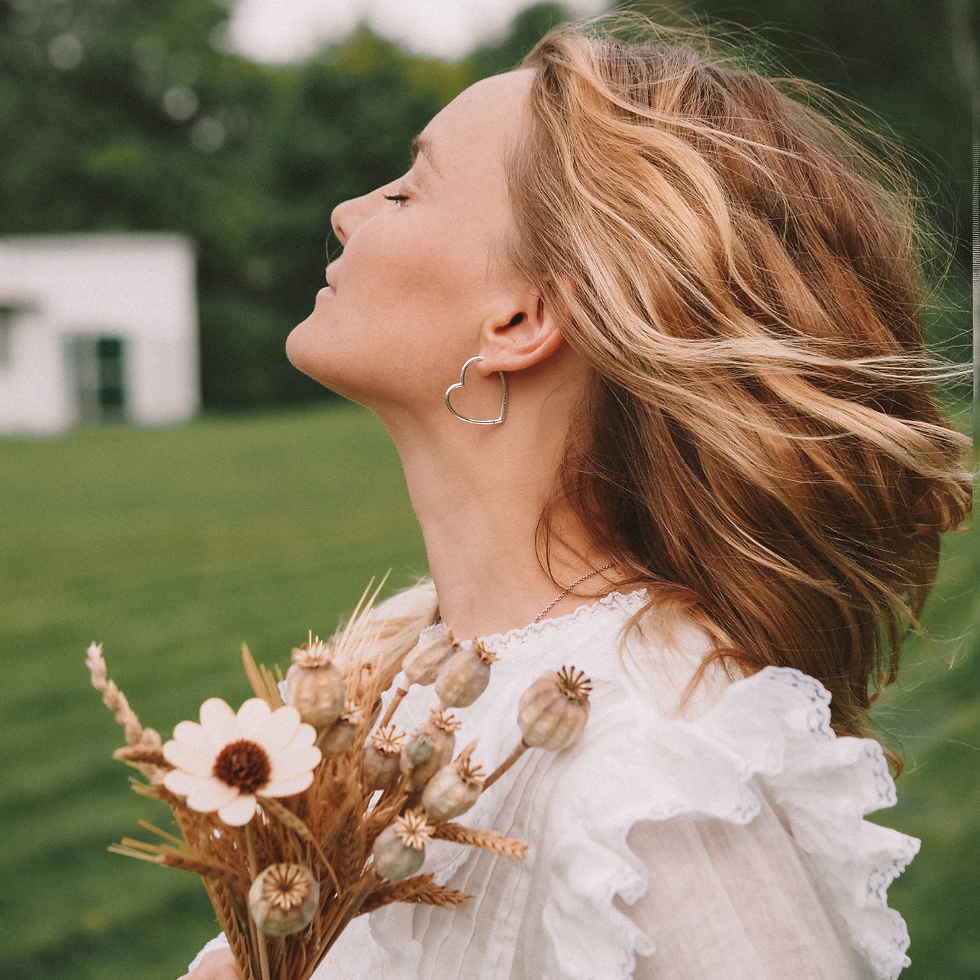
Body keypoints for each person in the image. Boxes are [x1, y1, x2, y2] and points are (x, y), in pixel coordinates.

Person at [182, 16, 971, 980]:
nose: (350, 211)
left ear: (522, 319)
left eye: (406, 188)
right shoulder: (397, 670)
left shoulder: (655, 771)